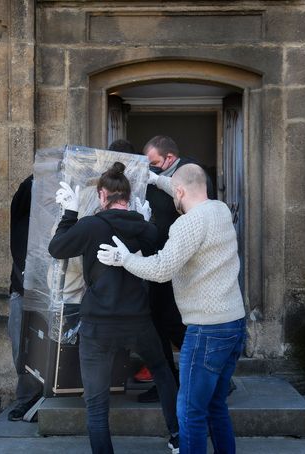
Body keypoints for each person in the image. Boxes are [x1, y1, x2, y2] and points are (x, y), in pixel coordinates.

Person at [97, 164, 246, 454]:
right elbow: (183, 185)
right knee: (216, 406)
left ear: (179, 192)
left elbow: (162, 269)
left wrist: (123, 258)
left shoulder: (187, 224)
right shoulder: (220, 210)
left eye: (172, 190)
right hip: (234, 324)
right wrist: (156, 179)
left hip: (206, 330)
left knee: (190, 412)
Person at [48, 162, 180, 454]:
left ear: (102, 195)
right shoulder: (146, 228)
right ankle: (177, 436)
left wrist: (69, 213)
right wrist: (146, 223)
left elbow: (57, 248)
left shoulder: (91, 225)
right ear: (128, 196)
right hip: (139, 320)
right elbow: (159, 253)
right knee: (162, 371)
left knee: (96, 403)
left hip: (98, 325)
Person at [136, 135, 216, 403]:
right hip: (160, 259)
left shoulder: (191, 174)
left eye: (154, 163)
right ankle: (167, 382)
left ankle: (210, 379)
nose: (151, 168)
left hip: (181, 264)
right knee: (159, 322)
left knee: (172, 322)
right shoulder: (157, 177)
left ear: (169, 159)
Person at [7, 175, 44, 421]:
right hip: (22, 290)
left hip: (52, 292)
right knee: (21, 348)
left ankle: (46, 397)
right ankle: (27, 398)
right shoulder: (23, 221)